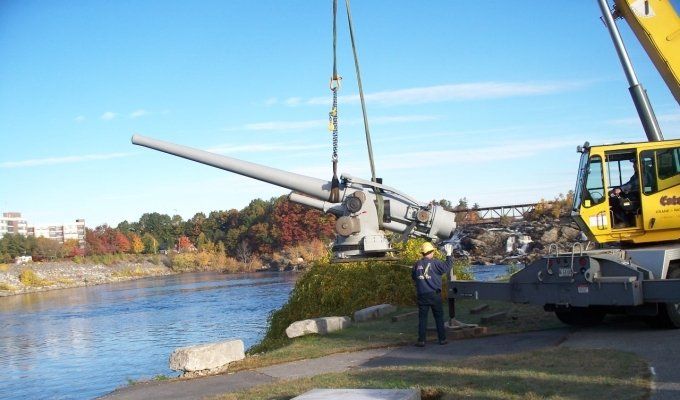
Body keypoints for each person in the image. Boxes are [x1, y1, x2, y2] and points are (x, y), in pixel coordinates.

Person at [412, 241, 453, 347]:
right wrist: (448, 254)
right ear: (430, 252)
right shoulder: (436, 263)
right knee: (439, 317)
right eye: (433, 252)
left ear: (423, 252)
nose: (433, 253)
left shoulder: (417, 264)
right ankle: (442, 339)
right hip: (435, 295)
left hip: (422, 295)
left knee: (422, 318)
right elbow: (447, 267)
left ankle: (421, 340)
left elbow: (414, 277)